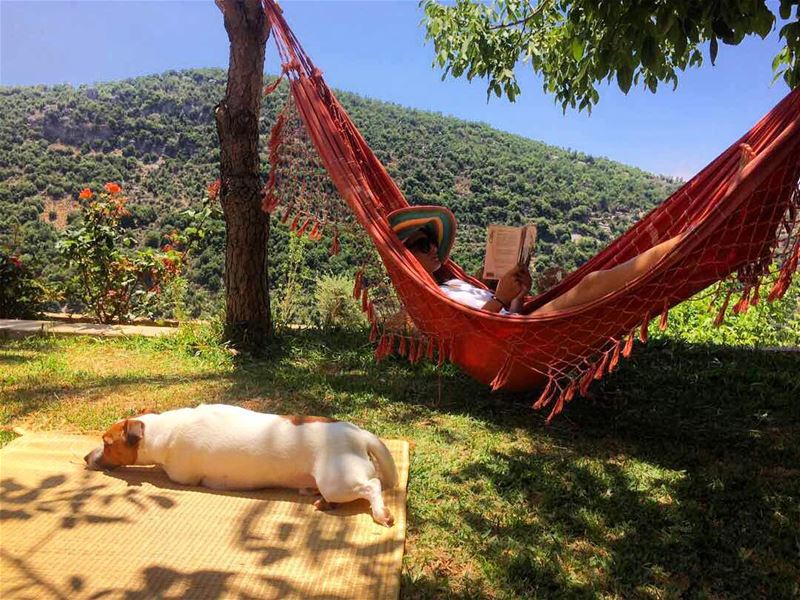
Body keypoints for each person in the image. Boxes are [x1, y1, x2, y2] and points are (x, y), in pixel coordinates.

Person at [388, 205, 531, 314]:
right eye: (423, 245)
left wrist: (518, 297)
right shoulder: (432, 303)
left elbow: (510, 319)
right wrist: (500, 299)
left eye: (433, 241)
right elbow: (470, 332)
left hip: (520, 336)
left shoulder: (453, 284)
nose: (434, 248)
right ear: (406, 256)